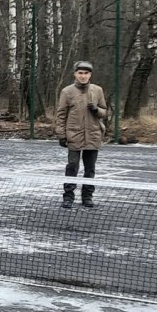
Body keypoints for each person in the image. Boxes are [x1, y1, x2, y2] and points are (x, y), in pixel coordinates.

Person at [55, 60, 107, 208]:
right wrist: (61, 134)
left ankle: (87, 196)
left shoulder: (97, 90)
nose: (83, 76)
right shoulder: (67, 91)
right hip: (74, 135)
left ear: (90, 75)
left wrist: (97, 110)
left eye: (86, 73)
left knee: (90, 168)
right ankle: (68, 196)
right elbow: (61, 114)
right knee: (72, 166)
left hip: (93, 135)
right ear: (75, 74)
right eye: (80, 73)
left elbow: (105, 112)